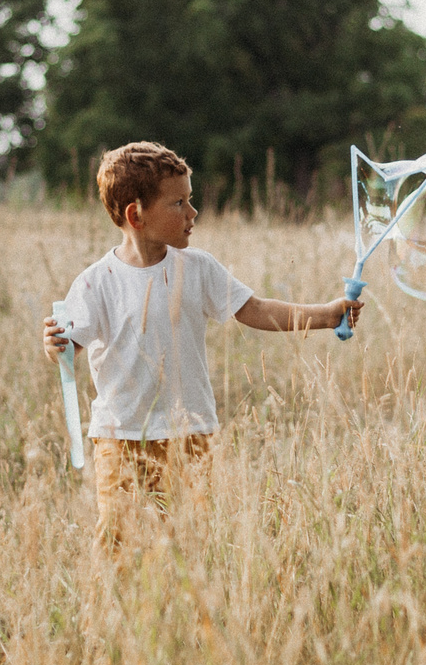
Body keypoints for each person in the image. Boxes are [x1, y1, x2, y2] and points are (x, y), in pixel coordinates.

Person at [40, 141, 359, 549]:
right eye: (179, 204)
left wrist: (328, 314)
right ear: (136, 215)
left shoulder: (198, 268)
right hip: (119, 436)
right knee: (117, 539)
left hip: (190, 433)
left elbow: (255, 310)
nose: (193, 214)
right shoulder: (95, 283)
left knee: (189, 541)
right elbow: (68, 348)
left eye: (190, 200)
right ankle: (115, 606)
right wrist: (55, 344)